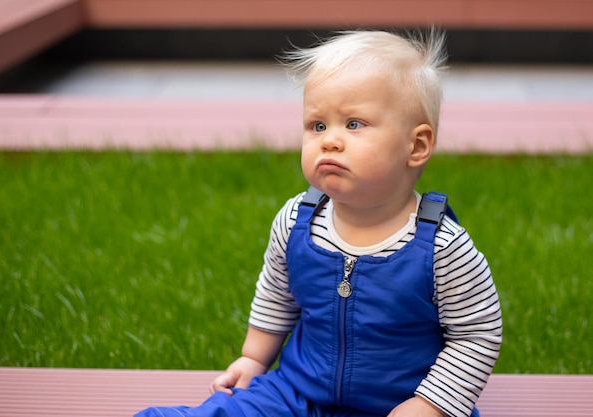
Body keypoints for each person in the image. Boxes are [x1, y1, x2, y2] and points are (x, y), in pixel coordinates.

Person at [135, 29, 502, 417]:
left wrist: (431, 405)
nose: (330, 141)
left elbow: (476, 334)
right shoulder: (297, 220)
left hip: (399, 404)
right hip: (296, 392)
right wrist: (254, 359)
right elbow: (277, 293)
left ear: (417, 146)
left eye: (354, 124)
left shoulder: (441, 247)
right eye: (318, 126)